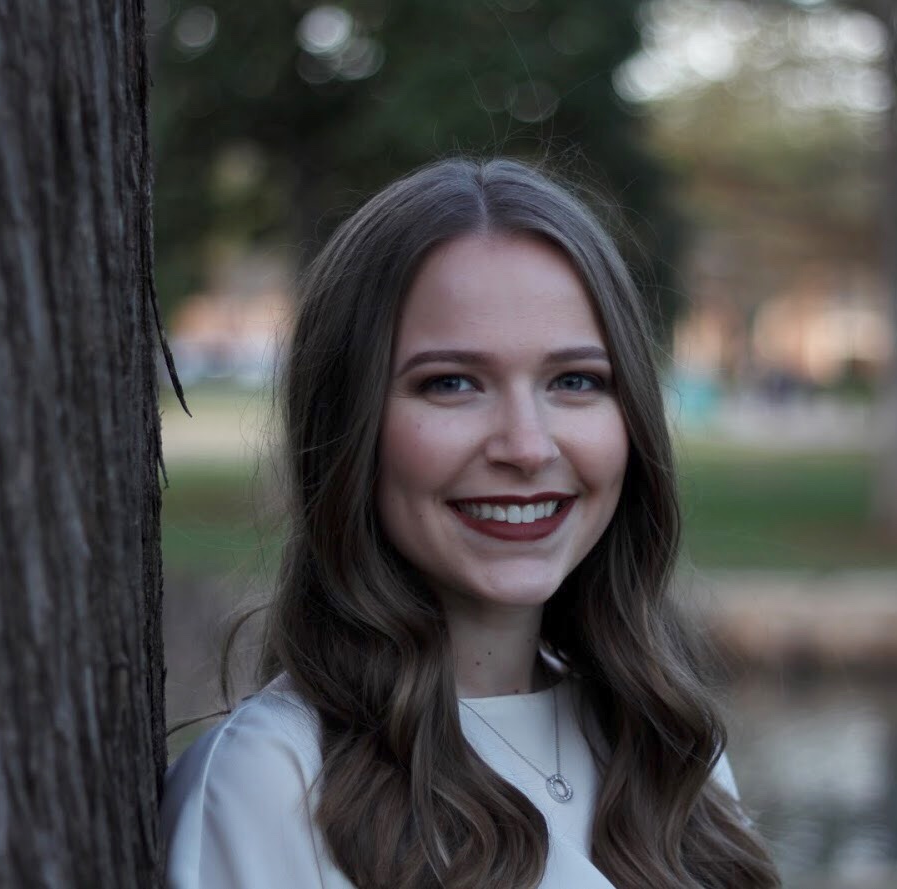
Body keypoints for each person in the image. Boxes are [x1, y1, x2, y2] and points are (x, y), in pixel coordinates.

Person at [162, 157, 779, 889]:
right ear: (347, 425)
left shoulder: (667, 748)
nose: (526, 445)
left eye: (574, 380)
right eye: (452, 383)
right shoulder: (270, 784)